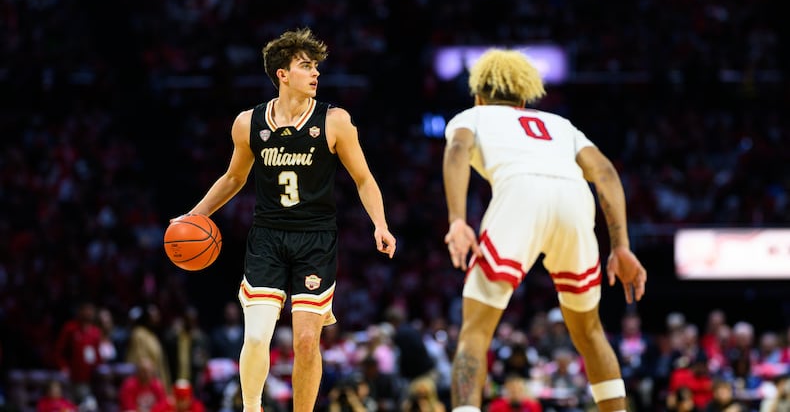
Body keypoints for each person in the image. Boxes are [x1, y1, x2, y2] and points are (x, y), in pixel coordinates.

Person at [176, 27, 397, 412]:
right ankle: (251, 407)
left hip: (315, 238)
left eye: (316, 67)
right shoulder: (249, 123)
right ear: (282, 73)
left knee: (307, 341)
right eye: (306, 66)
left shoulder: (335, 120)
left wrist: (380, 223)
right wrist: (196, 215)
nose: (316, 74)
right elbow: (233, 178)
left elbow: (363, 177)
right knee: (258, 336)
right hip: (267, 238)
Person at [441, 48, 647, 412]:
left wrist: (457, 219)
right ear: (523, 99)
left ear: (478, 96)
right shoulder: (560, 125)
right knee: (590, 331)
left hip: (520, 194)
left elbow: (457, 150)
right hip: (575, 198)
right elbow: (605, 173)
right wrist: (621, 246)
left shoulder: (471, 116)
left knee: (475, 331)